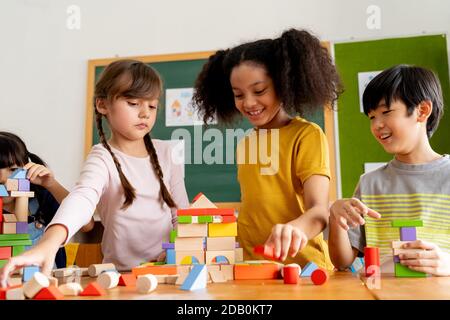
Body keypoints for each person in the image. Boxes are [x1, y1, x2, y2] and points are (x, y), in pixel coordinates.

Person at [0, 60, 189, 286]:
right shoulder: (102, 157)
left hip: (169, 271)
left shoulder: (169, 152)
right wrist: (49, 243)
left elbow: (182, 215)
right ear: (102, 105)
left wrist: (178, 250)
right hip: (120, 277)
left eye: (152, 106)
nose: (144, 113)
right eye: (133, 103)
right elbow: (82, 199)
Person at [193, 29, 342, 269]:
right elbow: (255, 207)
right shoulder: (246, 143)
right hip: (253, 266)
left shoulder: (306, 135)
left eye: (259, 91)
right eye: (238, 95)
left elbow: (319, 211)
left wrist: (295, 228)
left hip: (304, 268)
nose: (249, 103)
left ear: (283, 84)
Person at [328, 65, 450, 276]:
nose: (377, 125)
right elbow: (343, 262)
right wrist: (335, 218)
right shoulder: (370, 183)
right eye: (371, 117)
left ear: (422, 111)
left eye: (385, 112)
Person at [0, 131, 70, 268]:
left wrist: (51, 184)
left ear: (26, 168)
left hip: (50, 281)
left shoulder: (42, 197)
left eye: (13, 169)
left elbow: (87, 225)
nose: (3, 179)